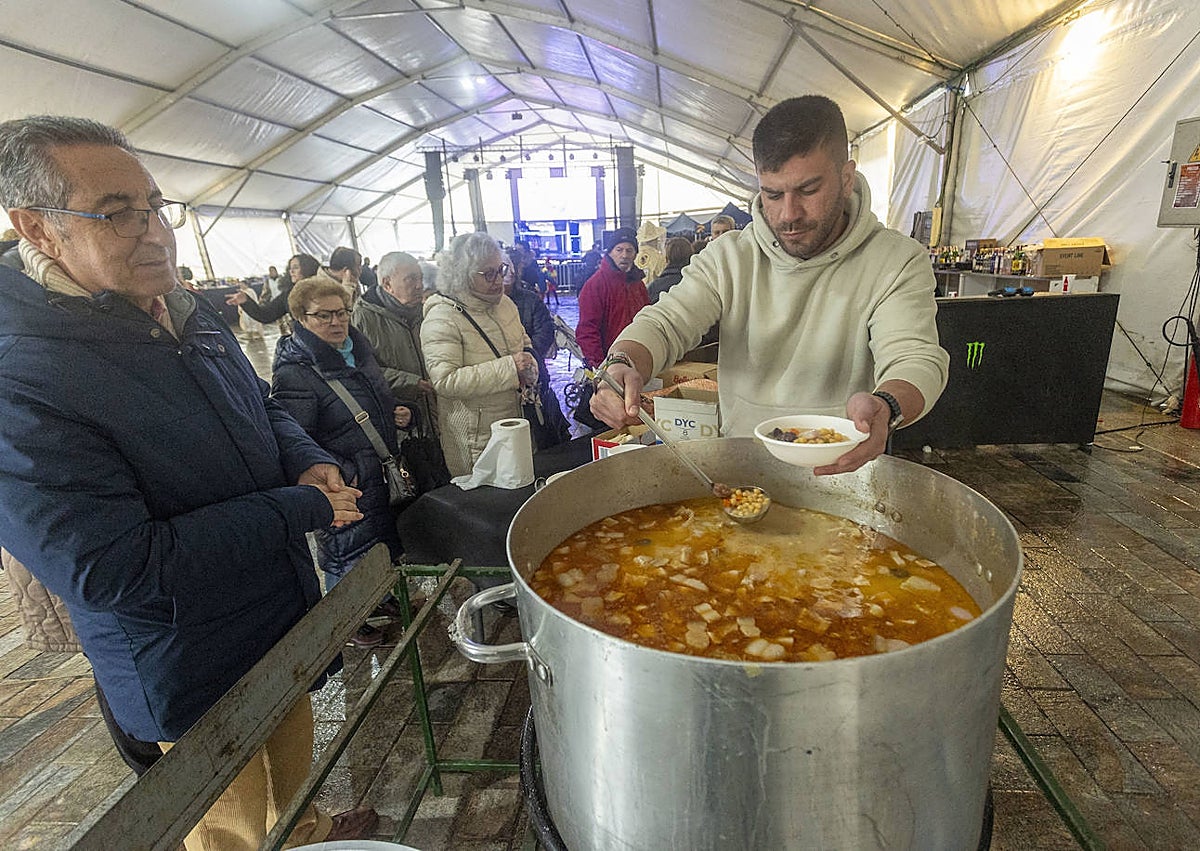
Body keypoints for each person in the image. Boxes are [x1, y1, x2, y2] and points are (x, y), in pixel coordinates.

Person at [0, 115, 377, 849]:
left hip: (275, 612)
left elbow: (259, 404)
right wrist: (301, 505)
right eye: (115, 213)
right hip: (185, 655)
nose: (154, 232)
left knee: (290, 778)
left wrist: (303, 456)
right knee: (227, 824)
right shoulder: (24, 374)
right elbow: (110, 567)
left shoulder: (182, 309)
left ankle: (305, 832)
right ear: (37, 230)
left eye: (154, 206)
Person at [591, 95, 949, 476]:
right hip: (742, 471)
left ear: (846, 178)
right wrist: (621, 364)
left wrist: (888, 406)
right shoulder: (730, 256)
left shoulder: (895, 260)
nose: (788, 214)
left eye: (808, 190)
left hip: (846, 473)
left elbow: (914, 358)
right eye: (773, 194)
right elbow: (664, 324)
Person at [271, 276, 409, 648]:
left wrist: (392, 412)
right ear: (300, 318)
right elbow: (294, 438)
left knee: (377, 542)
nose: (336, 321)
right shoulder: (295, 373)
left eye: (343, 312)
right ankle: (345, 621)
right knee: (343, 552)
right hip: (344, 480)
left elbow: (370, 402)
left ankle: (380, 598)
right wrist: (339, 471)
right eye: (324, 316)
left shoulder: (357, 351)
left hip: (374, 471)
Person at [420, 232, 537, 477]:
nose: (498, 280)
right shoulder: (442, 317)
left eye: (501, 270)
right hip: (476, 436)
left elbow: (522, 340)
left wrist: (528, 363)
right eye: (488, 274)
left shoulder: (504, 304)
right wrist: (509, 368)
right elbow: (445, 381)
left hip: (515, 419)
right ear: (462, 275)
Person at [352, 251, 450, 492]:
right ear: (387, 284)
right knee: (413, 486)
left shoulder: (427, 311)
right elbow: (361, 370)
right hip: (401, 418)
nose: (419, 286)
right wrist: (410, 381)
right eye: (410, 280)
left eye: (420, 278)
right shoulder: (364, 317)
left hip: (437, 412)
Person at [502, 258, 571, 448]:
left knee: (543, 426)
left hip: (535, 377)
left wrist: (530, 357)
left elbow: (545, 329)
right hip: (505, 382)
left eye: (506, 269)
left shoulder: (529, 299)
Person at [574, 226, 648, 369]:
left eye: (629, 250)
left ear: (635, 254)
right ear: (610, 252)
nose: (624, 255)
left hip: (636, 360)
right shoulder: (595, 285)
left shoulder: (638, 285)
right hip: (610, 363)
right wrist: (601, 367)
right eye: (619, 250)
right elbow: (587, 331)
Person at [227, 251, 320, 331]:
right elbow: (266, 315)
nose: (291, 271)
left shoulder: (324, 291)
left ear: (307, 268)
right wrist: (246, 301)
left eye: (296, 267)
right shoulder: (289, 295)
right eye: (290, 268)